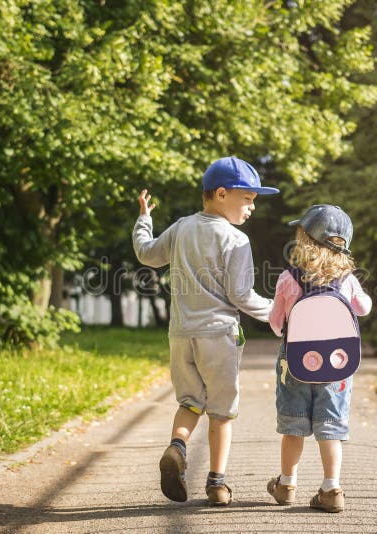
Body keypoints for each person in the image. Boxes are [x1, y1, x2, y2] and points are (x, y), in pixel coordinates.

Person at [132, 156, 279, 506]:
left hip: (181, 336)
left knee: (190, 402)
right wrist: (280, 314)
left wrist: (144, 219)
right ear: (222, 194)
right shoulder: (236, 240)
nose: (252, 207)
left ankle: (177, 447)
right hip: (219, 337)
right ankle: (217, 484)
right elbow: (240, 295)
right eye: (248, 199)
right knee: (221, 411)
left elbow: (146, 254)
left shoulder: (182, 227)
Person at [265, 204, 372, 513]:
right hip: (337, 366)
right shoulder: (347, 279)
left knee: (293, 427)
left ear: (304, 239)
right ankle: (331, 488)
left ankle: (286, 484)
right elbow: (363, 308)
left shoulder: (289, 278)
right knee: (330, 428)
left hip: (296, 362)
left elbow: (275, 322)